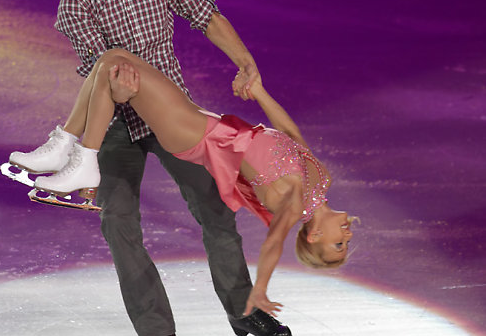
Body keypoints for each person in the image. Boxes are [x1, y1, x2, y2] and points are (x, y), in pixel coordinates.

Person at [11, 0, 291, 336]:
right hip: (115, 124)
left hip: (172, 115)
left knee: (215, 210)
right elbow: (96, 73)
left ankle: (243, 311)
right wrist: (117, 89)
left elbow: (205, 15)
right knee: (119, 224)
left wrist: (245, 60)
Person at [19, 49, 355, 321]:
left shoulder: (292, 205)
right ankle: (64, 147)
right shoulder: (320, 180)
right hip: (207, 120)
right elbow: (292, 135)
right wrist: (259, 93)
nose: (347, 237)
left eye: (338, 245)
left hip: (198, 135)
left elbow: (272, 246)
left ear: (315, 236)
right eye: (345, 244)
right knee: (112, 59)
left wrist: (261, 289)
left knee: (114, 66)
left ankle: (82, 161)